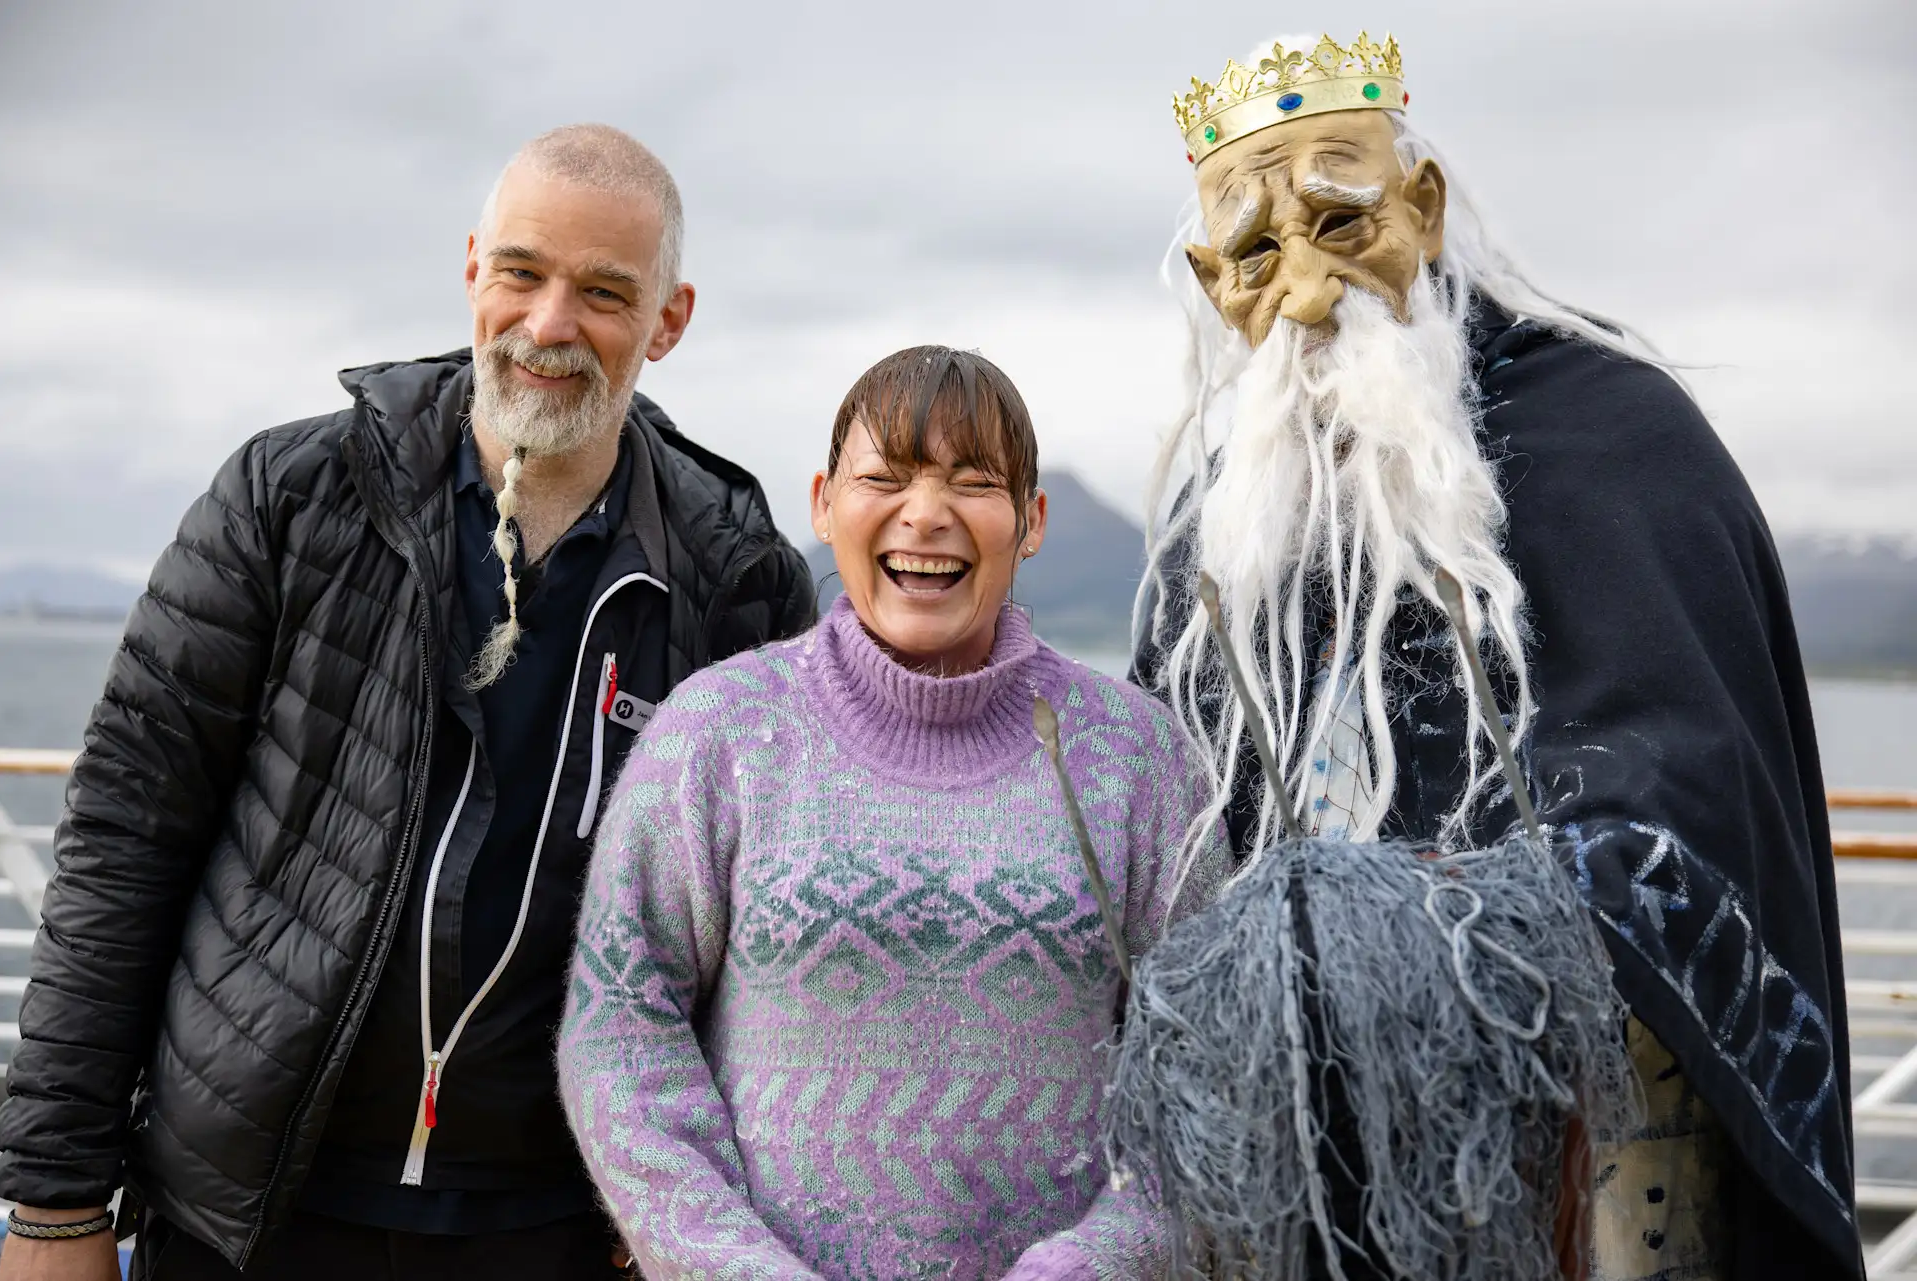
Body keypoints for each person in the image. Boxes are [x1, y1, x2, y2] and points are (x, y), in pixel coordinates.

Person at [0, 124, 814, 1280]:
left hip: (557, 1230)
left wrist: (692, 1208)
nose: (549, 325)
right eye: (522, 272)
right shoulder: (287, 501)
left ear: (669, 320)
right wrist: (54, 1202)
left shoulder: (739, 577)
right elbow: (125, 840)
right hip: (253, 1213)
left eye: (603, 292)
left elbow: (752, 943)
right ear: (474, 267)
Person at [1126, 31, 1859, 1281]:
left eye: (1342, 222)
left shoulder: (1617, 439)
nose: (1305, 290)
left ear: (1422, 206)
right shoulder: (1226, 528)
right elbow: (1162, 823)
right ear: (1210, 280)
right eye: (1254, 253)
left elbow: (1691, 802)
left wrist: (1429, 918)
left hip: (1594, 1163)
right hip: (1294, 1174)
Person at [558, 346, 1222, 1279]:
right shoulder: (718, 735)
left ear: (1031, 521)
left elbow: (1209, 1065)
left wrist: (1093, 1264)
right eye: (886, 478)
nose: (926, 512)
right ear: (825, 503)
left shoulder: (1140, 758)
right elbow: (620, 1028)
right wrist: (734, 1266)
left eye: (973, 482)